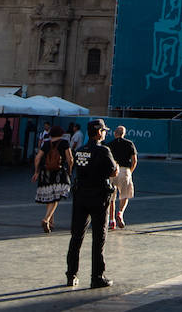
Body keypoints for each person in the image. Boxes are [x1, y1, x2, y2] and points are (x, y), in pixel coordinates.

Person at [65, 118, 118, 289]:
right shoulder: (103, 150)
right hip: (98, 197)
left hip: (81, 196)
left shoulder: (80, 151)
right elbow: (112, 171)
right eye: (103, 131)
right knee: (98, 238)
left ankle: (71, 274)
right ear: (98, 132)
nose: (105, 133)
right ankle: (97, 276)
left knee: (76, 236)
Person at [33, 125, 73, 233]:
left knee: (50, 196)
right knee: (56, 198)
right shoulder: (64, 142)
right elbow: (70, 159)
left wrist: (36, 172)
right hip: (59, 172)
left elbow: (37, 158)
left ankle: (51, 221)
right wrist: (69, 171)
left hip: (45, 172)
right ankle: (46, 219)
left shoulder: (46, 143)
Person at [106, 125, 137, 230]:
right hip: (125, 170)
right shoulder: (129, 144)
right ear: (124, 133)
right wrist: (130, 171)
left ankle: (112, 221)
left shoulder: (110, 144)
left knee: (111, 198)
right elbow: (134, 160)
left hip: (113, 171)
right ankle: (120, 213)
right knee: (125, 195)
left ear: (115, 133)